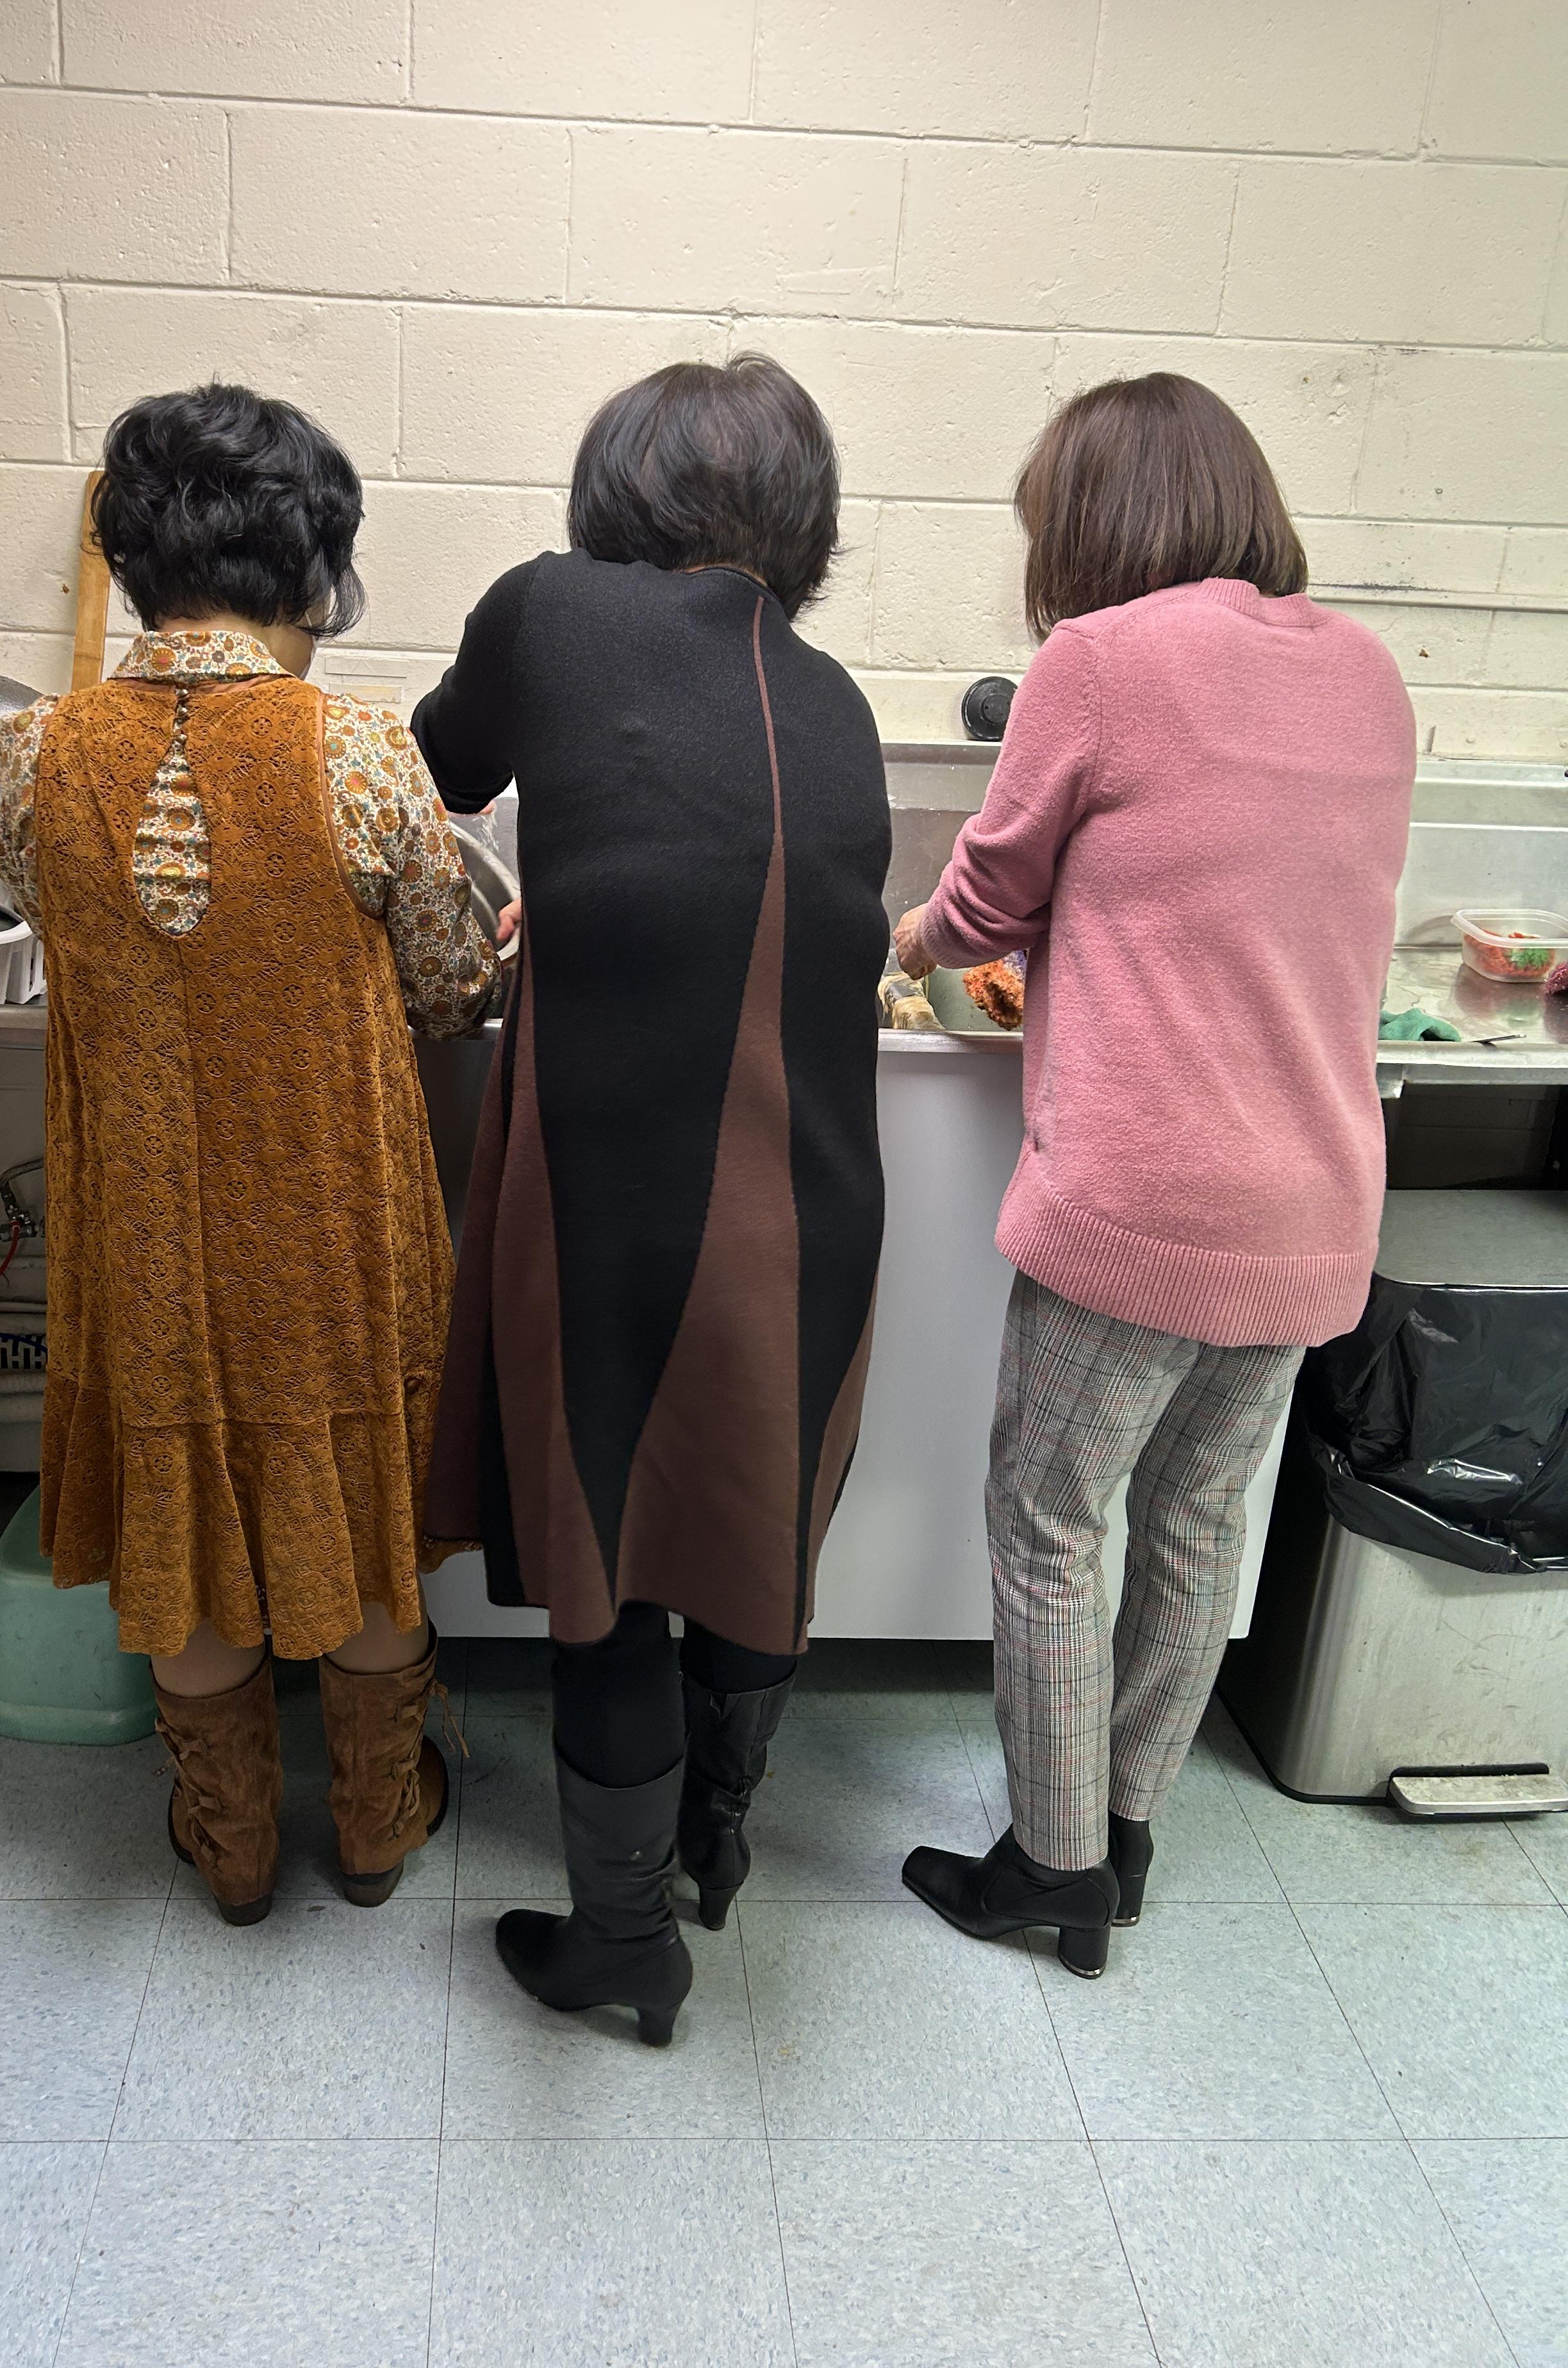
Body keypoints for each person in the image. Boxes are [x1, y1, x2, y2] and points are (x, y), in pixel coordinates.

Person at [894, 374, 1415, 1975]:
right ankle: (1121, 1837)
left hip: (1147, 1202)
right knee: (1197, 1525)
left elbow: (988, 898)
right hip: (1313, 1203)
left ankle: (1048, 1868)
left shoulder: (1101, 661)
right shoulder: (1369, 676)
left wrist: (909, 941)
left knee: (1049, 1520)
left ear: (1096, 521)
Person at [411, 355, 891, 2044]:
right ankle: (716, 1842)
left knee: (608, 1564)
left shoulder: (548, 612)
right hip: (820, 1212)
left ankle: (623, 1943)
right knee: (752, 1534)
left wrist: (566, 885)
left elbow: (433, 774)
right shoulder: (838, 700)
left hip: (618, 1196)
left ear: (614, 491)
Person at [0, 383, 500, 1925]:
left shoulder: (30, 755)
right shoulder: (360, 753)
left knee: (186, 1529)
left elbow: (63, 937)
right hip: (333, 1229)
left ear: (136, 560)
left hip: (142, 1231)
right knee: (365, 1528)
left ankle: (229, 1845)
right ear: (310, 569)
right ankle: (375, 1823)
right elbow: (449, 984)